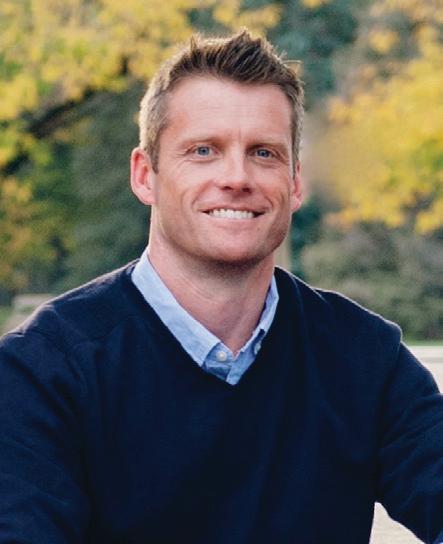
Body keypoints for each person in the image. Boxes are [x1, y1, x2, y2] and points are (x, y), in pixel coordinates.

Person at [0, 30, 442, 544]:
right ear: (145, 175)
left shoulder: (365, 358)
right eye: (204, 150)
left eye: (264, 153)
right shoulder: (41, 372)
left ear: (295, 182)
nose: (237, 177)